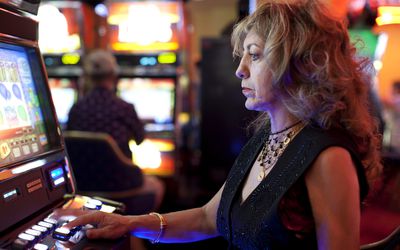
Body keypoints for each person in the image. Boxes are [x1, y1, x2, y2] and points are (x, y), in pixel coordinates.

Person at [53, 1, 382, 249]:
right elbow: (210, 217)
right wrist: (127, 223)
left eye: (254, 55)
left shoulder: (328, 156)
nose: (240, 69)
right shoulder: (268, 135)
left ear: (297, 63)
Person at [67, 49, 145, 159]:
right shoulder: (125, 108)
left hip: (82, 174)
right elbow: (140, 139)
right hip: (120, 174)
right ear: (114, 76)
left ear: (87, 78)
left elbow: (69, 142)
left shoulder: (77, 109)